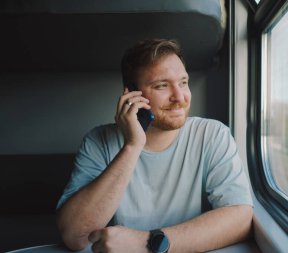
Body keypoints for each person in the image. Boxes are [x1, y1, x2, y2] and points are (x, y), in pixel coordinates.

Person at [56, 39, 253, 253]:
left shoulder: (212, 135)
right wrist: (132, 146)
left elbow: (240, 217)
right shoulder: (98, 141)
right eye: (162, 85)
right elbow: (74, 235)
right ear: (132, 94)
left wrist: (148, 243)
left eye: (183, 82)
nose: (180, 97)